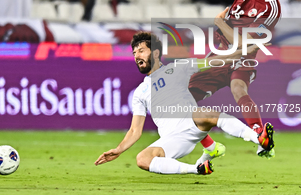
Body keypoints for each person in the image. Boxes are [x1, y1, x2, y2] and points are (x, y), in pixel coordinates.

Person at [95, 32, 275, 175]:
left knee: (206, 113)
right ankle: (196, 169)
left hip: (193, 122)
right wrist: (118, 150)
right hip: (172, 138)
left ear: (155, 52)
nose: (136, 56)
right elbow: (135, 131)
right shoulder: (139, 93)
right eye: (134, 53)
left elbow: (216, 61)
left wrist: (248, 49)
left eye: (141, 50)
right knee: (142, 159)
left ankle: (259, 139)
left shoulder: (178, 67)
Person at [189, 0, 281, 162]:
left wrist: (220, 22)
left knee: (238, 88)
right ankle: (214, 146)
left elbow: (241, 43)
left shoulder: (270, 10)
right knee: (185, 98)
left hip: (242, 55)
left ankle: (259, 134)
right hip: (220, 53)